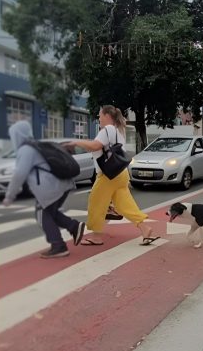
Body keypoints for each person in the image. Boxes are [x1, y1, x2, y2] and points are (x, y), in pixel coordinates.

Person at [66, 105, 159, 246]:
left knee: (96, 203)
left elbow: (95, 146)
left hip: (108, 175)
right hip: (121, 173)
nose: (98, 118)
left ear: (107, 115)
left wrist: (76, 142)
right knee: (125, 205)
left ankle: (96, 237)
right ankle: (145, 229)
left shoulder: (107, 129)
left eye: (100, 115)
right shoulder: (118, 130)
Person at [3, 120, 85, 258]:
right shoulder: (37, 145)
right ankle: (73, 226)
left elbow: (19, 174)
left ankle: (58, 246)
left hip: (51, 188)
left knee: (42, 214)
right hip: (63, 184)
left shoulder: (26, 150)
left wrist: (9, 196)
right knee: (50, 212)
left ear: (17, 135)